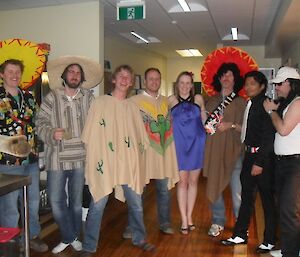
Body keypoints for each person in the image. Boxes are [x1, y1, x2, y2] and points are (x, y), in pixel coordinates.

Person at [80, 65, 154, 257]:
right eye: (121, 76)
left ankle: (140, 239)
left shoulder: (132, 107)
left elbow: (140, 139)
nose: (124, 80)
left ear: (131, 83)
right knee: (98, 204)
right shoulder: (100, 103)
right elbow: (91, 134)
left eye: (128, 78)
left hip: (127, 164)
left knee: (136, 203)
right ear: (114, 79)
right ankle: (88, 246)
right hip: (106, 163)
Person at [36, 56, 102, 254]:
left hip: (81, 158)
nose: (74, 75)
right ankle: (70, 236)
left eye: (78, 73)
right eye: (71, 72)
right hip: (56, 158)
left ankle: (71, 237)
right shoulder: (52, 97)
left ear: (81, 78)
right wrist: (50, 133)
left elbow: (99, 122)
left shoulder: (89, 98)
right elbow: (40, 123)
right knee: (56, 202)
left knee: (75, 202)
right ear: (64, 76)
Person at [221, 70, 277, 253]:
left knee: (267, 201)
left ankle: (269, 240)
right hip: (249, 156)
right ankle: (240, 234)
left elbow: (269, 137)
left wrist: (259, 163)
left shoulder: (265, 104)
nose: (248, 87)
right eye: (246, 83)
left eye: (252, 84)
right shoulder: (251, 103)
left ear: (262, 86)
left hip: (262, 160)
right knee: (246, 198)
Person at [0, 59, 48, 252]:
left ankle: (32, 236)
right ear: (2, 74)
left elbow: (37, 124)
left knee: (33, 201)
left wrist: (42, 150)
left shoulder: (28, 96)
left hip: (31, 158)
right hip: (7, 161)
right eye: (10, 72)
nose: (14, 75)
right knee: (9, 205)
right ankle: (10, 240)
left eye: (17, 72)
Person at [128, 67, 179, 236]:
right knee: (138, 192)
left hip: (162, 154)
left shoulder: (167, 102)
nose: (154, 82)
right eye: (151, 79)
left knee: (163, 191)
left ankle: (164, 223)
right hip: (143, 154)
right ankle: (133, 226)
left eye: (157, 79)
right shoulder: (134, 101)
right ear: (144, 80)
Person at [203, 62, 245, 237]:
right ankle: (218, 220)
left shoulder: (241, 102)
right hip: (214, 150)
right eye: (223, 75)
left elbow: (247, 128)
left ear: (235, 79)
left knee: (237, 192)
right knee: (214, 187)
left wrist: (231, 125)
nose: (226, 78)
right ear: (218, 78)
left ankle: (240, 224)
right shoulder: (211, 100)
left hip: (234, 152)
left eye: (230, 75)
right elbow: (204, 125)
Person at [263, 66, 300, 257]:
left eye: (278, 84)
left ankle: (291, 253)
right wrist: (276, 109)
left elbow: (284, 129)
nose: (276, 88)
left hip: (294, 165)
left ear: (289, 83)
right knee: (284, 208)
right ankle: (288, 249)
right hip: (284, 163)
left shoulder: (298, 103)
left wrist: (271, 112)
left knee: (288, 210)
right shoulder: (290, 102)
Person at [168, 71, 206, 234]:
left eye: (187, 83)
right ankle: (183, 219)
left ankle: (190, 216)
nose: (184, 86)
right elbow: (165, 123)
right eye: (181, 83)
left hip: (197, 144)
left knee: (193, 182)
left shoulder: (198, 99)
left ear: (192, 85)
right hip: (180, 145)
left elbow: (205, 121)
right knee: (182, 182)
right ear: (177, 84)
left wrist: (215, 118)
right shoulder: (170, 100)